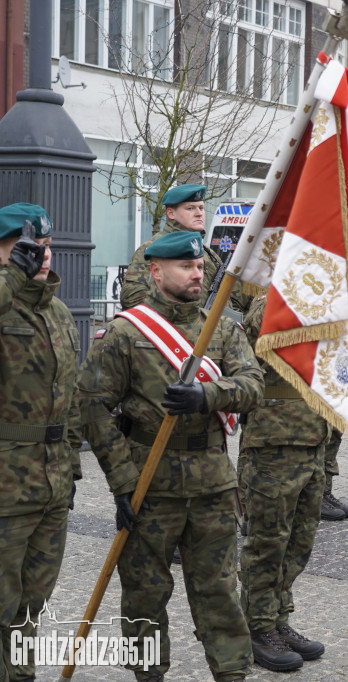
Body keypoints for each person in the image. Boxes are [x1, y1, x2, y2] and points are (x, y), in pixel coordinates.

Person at [78, 230, 264, 681]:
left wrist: (208, 395)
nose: (197, 273)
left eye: (200, 266)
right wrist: (122, 480)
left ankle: (232, 674)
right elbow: (90, 403)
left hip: (214, 486)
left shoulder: (223, 326)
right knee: (144, 595)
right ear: (156, 271)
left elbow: (254, 385)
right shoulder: (126, 332)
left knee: (219, 591)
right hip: (148, 486)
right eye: (186, 266)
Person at [0, 203, 82, 681]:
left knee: (32, 602)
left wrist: (70, 469)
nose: (39, 256)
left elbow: (69, 401)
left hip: (49, 484)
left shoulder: (57, 312)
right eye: (25, 247)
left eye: (45, 246)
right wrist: (10, 277)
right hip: (6, 487)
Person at [238, 295, 328, 672]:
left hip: (312, 439)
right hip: (274, 443)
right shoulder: (268, 305)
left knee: (299, 540)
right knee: (268, 542)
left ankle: (277, 618)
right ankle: (256, 628)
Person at [120, 184, 248, 313]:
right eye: (190, 208)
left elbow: (230, 299)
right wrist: (184, 319)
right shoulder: (154, 249)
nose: (199, 214)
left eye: (201, 208)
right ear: (171, 213)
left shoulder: (210, 254)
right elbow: (131, 298)